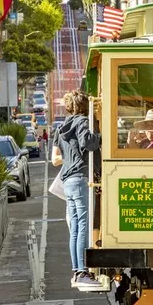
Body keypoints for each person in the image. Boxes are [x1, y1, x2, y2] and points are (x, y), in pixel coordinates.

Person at [51, 90, 102, 289]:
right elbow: (88, 143)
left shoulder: (62, 126)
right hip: (81, 178)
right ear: (84, 106)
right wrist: (99, 135)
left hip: (68, 180)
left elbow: (57, 156)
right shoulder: (82, 122)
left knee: (74, 228)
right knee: (83, 226)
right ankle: (82, 272)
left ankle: (76, 270)